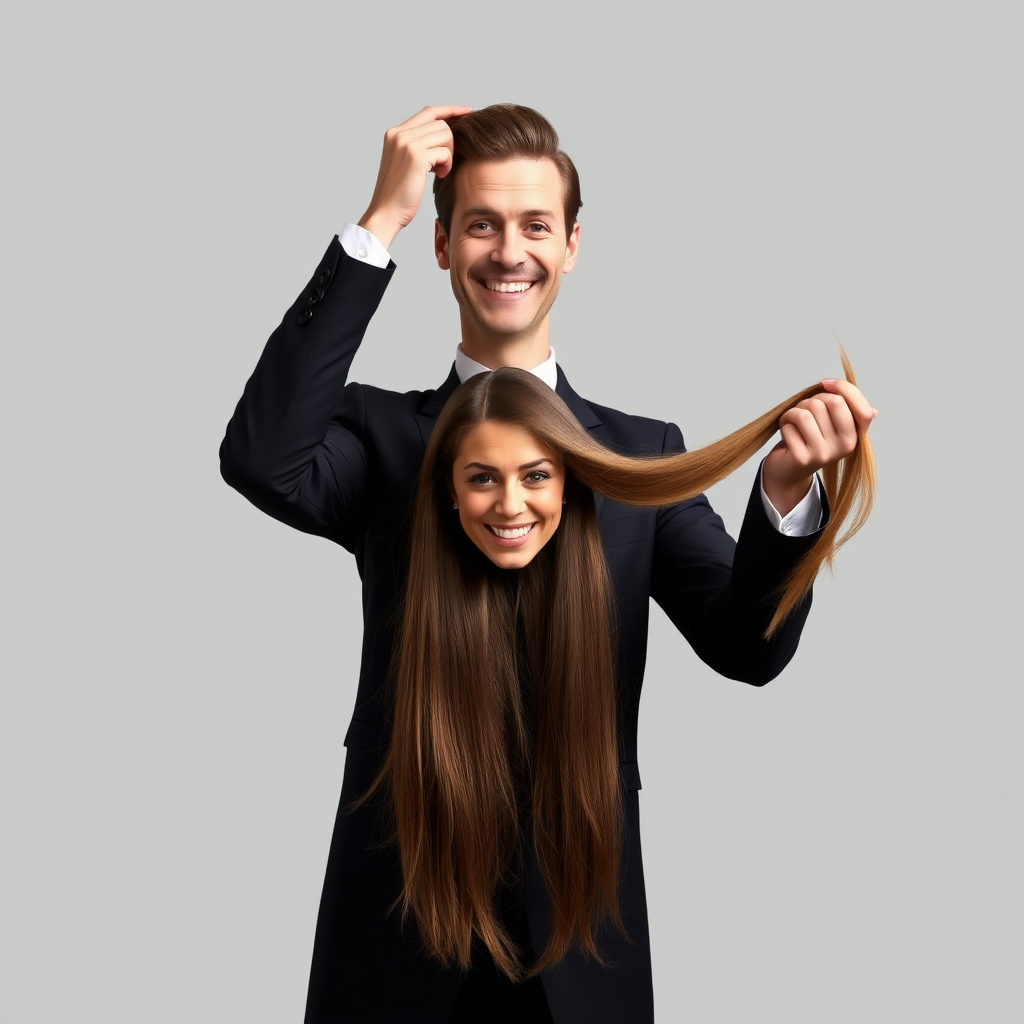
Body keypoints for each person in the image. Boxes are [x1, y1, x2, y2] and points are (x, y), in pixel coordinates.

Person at [219, 103, 877, 1024]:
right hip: (397, 928)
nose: (508, 251)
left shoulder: (642, 455)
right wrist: (378, 224)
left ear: (573, 245)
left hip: (579, 946)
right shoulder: (378, 439)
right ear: (444, 247)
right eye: (480, 224)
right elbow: (260, 457)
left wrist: (784, 497)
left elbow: (747, 646)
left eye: (535, 226)